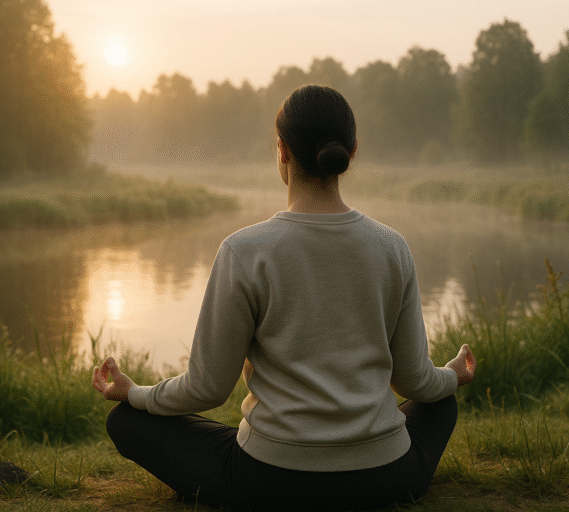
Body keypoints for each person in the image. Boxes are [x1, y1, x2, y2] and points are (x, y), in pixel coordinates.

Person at [92, 84, 476, 511]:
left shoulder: (244, 250)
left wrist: (135, 392)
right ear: (352, 152)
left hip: (269, 481)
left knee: (127, 422)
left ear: (282, 150)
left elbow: (206, 389)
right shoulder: (392, 247)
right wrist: (453, 375)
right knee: (440, 405)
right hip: (388, 477)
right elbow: (415, 382)